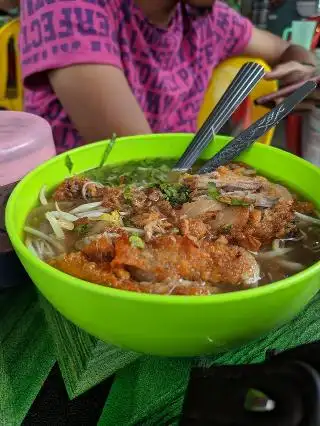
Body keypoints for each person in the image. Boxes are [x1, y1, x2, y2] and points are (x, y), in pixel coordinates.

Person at [19, 0, 316, 153]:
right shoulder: (68, 6)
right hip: (73, 208)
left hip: (170, 190)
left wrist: (305, 73)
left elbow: (287, 48)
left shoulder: (210, 20)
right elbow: (137, 156)